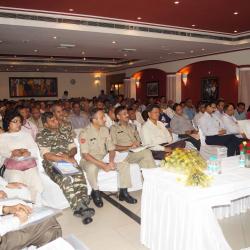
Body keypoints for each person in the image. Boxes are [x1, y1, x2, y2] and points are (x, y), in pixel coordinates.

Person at [36, 112, 94, 225]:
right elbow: (46, 155)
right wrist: (63, 159)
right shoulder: (41, 135)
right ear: (46, 124)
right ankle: (79, 208)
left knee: (79, 175)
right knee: (65, 179)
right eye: (52, 121)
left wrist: (69, 157)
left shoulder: (64, 131)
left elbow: (73, 148)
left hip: (67, 161)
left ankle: (83, 204)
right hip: (52, 163)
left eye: (56, 119)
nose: (56, 121)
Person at [79, 108, 136, 206]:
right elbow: (85, 155)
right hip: (89, 160)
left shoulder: (105, 130)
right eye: (102, 117)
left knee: (124, 163)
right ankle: (95, 192)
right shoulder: (85, 133)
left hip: (104, 157)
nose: (105, 119)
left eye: (104, 117)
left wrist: (111, 161)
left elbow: (111, 149)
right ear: (94, 120)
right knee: (92, 168)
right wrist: (103, 165)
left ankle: (123, 192)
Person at [0, 111, 43, 203]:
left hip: (29, 165)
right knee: (17, 183)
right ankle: (22, 205)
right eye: (15, 121)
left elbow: (34, 149)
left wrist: (28, 152)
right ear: (8, 123)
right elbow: (2, 152)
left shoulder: (26, 135)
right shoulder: (3, 137)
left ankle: (35, 204)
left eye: (19, 121)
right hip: (13, 168)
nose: (18, 124)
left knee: (35, 183)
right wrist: (12, 153)